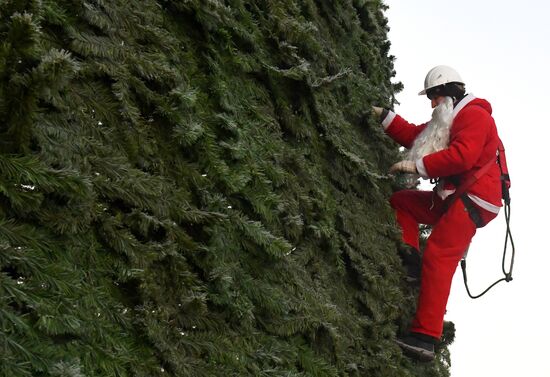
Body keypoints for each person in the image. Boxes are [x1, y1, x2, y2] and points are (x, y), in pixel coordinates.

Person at [373, 65, 504, 361]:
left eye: (435, 96)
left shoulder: (474, 115)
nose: (432, 104)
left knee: (440, 255)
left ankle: (425, 338)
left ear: (450, 93)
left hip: (474, 198)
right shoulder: (447, 120)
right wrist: (383, 116)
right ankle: (410, 263)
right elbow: (414, 136)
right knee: (403, 203)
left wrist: (418, 167)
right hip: (454, 196)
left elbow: (464, 155)